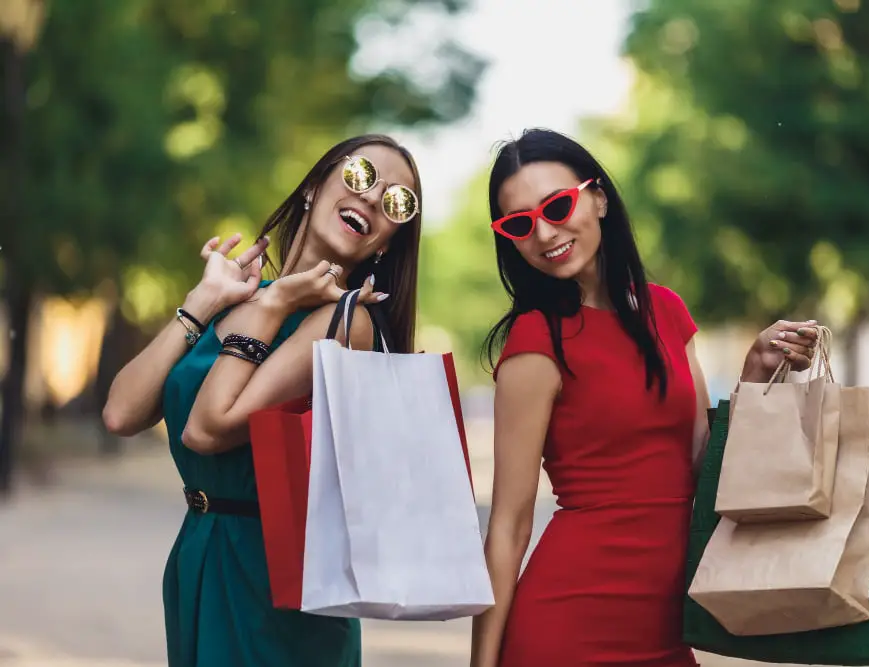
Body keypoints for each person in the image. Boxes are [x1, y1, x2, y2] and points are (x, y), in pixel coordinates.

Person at [470, 128, 820, 667]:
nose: (543, 232)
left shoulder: (666, 312)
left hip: (668, 627)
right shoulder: (536, 340)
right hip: (570, 627)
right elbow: (509, 525)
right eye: (520, 224)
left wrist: (754, 375)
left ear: (599, 198)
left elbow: (703, 467)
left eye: (557, 206)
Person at [102, 134, 424, 667]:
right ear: (314, 187)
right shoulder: (243, 297)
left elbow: (206, 430)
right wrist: (203, 302)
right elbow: (121, 412)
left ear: (387, 241)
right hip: (200, 552)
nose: (371, 197)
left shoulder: (346, 323)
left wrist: (274, 303)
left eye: (396, 202)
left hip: (278, 582)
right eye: (362, 176)